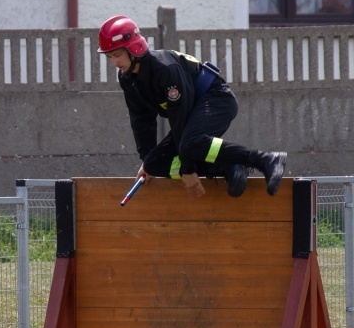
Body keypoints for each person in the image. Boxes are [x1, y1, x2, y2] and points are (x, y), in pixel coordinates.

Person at [97, 15, 287, 198]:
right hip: (188, 114)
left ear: (133, 49)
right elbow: (141, 120)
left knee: (190, 143)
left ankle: (265, 159)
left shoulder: (165, 69)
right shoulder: (128, 79)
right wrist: (147, 161)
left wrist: (188, 170)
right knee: (154, 164)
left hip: (216, 99)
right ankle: (229, 167)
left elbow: (180, 119)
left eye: (117, 55)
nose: (114, 62)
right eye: (110, 57)